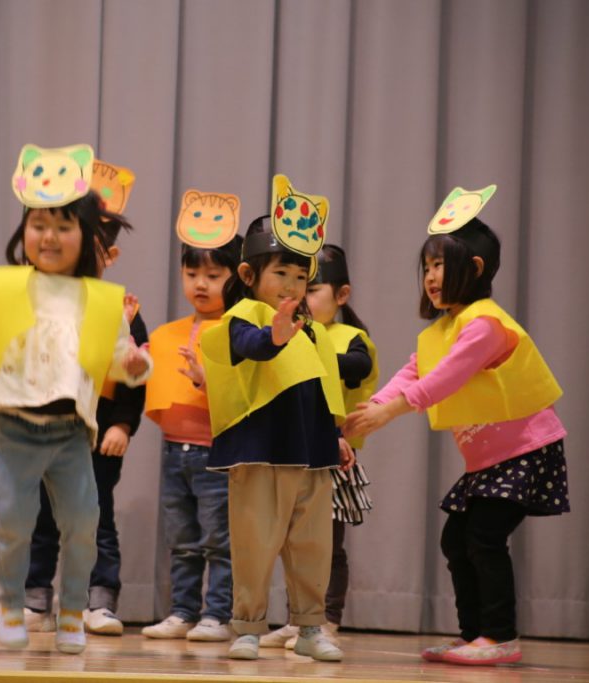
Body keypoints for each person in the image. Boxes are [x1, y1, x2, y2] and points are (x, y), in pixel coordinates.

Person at [0, 143, 152, 655]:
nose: (49, 236)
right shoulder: (7, 284)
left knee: (83, 525)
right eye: (39, 225)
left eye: (63, 226)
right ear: (24, 231)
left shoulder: (101, 298)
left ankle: (73, 609)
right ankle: (13, 605)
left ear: (86, 236)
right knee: (12, 525)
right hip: (12, 428)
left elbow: (116, 357)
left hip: (71, 433)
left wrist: (135, 365)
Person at [344, 186, 569, 666]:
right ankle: (475, 636)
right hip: (490, 458)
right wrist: (372, 406)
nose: (430, 276)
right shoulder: (442, 330)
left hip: (525, 450)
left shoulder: (485, 324)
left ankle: (500, 636)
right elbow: (414, 371)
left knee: (483, 537)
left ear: (476, 268)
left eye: (440, 265)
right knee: (457, 540)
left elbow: (444, 379)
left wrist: (389, 411)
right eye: (426, 266)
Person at [200, 212, 354, 662]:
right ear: (249, 275)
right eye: (281, 273)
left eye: (301, 276)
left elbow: (319, 386)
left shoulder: (313, 329)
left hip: (312, 452)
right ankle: (248, 627)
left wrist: (335, 434)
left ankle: (310, 626)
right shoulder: (241, 317)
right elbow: (252, 347)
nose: (292, 285)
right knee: (254, 542)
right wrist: (275, 336)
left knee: (313, 546)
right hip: (260, 452)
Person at [20, 217, 148, 637]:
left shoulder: (120, 309)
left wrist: (123, 425)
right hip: (44, 430)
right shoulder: (42, 306)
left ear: (109, 256)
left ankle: (99, 601)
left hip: (98, 434)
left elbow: (134, 375)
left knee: (95, 519)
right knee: (39, 517)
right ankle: (35, 600)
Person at [261, 243, 377, 650]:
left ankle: (326, 619)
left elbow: (359, 366)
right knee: (290, 540)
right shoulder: (289, 331)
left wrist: (313, 352)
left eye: (311, 289)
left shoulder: (350, 337)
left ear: (341, 295)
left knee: (326, 542)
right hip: (293, 452)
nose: (300, 296)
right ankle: (298, 618)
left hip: (333, 453)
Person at [139, 235, 243, 642]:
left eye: (214, 276)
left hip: (216, 451)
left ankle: (217, 614)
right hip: (174, 448)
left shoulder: (238, 333)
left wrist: (205, 379)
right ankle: (182, 611)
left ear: (237, 277)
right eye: (192, 273)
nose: (201, 283)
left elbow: (243, 394)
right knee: (181, 539)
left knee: (218, 539)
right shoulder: (168, 334)